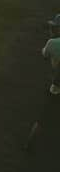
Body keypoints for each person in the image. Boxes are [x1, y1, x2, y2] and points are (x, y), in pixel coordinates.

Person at [26, 15, 60, 152]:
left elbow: (44, 54)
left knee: (43, 117)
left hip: (57, 86)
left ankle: (30, 143)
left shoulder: (52, 43)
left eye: (54, 27)